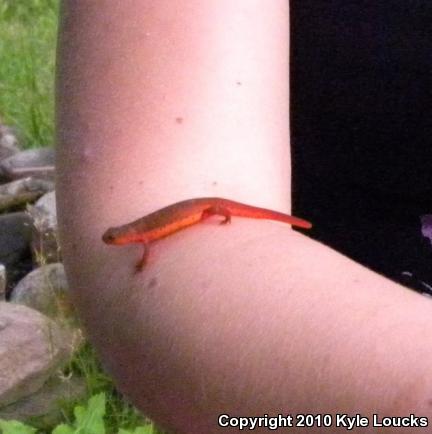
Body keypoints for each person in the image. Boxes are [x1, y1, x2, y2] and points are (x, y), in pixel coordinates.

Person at [56, 2, 432, 433]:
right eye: (115, 240)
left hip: (216, 207)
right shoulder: (142, 235)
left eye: (117, 240)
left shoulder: (147, 236)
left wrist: (220, 220)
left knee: (222, 211)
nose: (119, 243)